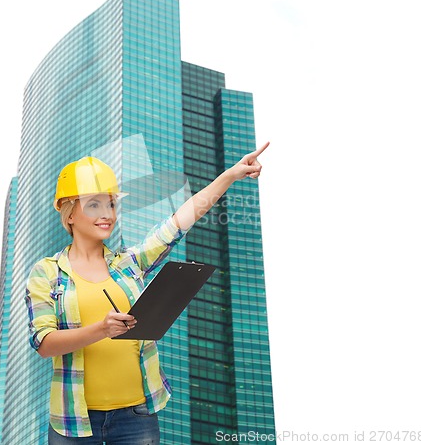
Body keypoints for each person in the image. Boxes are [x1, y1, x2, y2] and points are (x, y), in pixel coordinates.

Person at [25, 142, 269, 444]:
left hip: (136, 418)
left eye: (111, 204)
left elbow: (179, 222)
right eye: (94, 205)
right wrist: (102, 329)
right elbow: (45, 343)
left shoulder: (130, 263)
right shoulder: (47, 273)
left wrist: (230, 175)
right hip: (75, 422)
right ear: (70, 213)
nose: (107, 214)